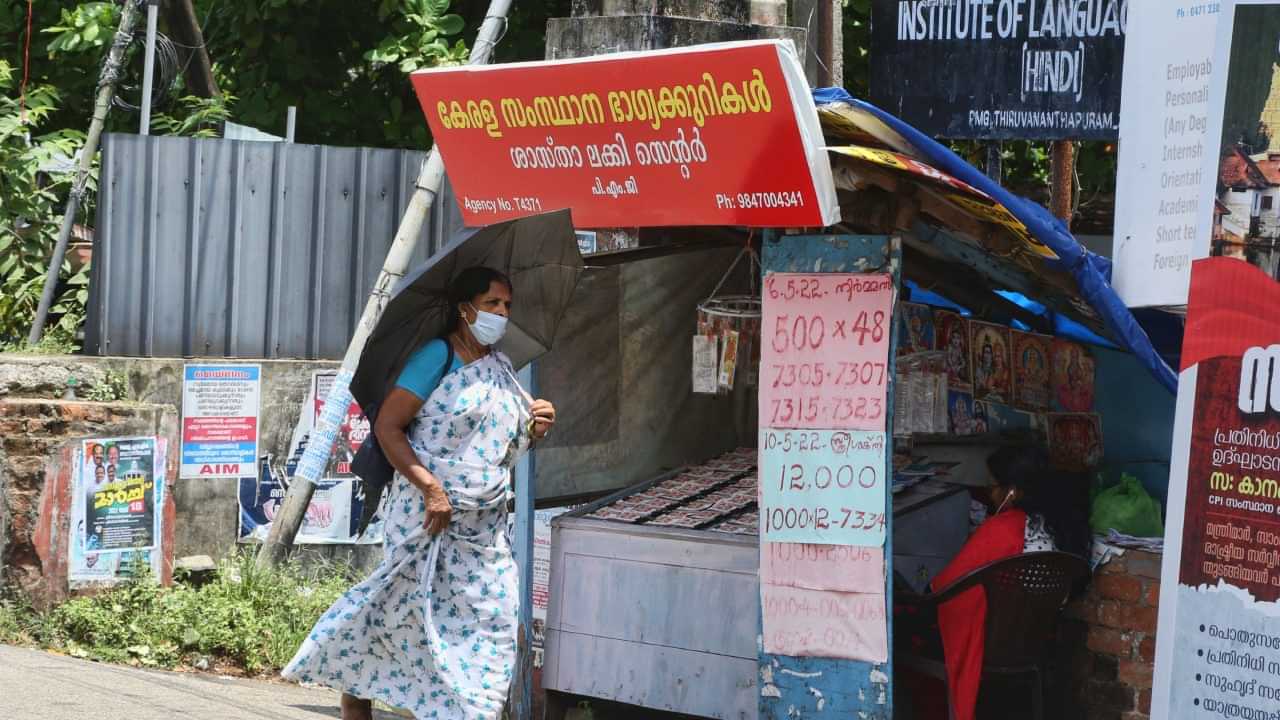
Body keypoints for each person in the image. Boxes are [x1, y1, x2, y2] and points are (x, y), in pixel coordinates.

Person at [282, 267, 556, 720]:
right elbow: (389, 427)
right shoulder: (437, 357)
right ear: (464, 308)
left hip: (482, 529)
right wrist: (430, 487)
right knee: (403, 607)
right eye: (492, 304)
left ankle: (466, 708)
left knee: (493, 616)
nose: (502, 314)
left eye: (507, 306)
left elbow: (501, 452)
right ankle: (357, 688)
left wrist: (535, 427)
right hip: (428, 516)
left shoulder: (502, 370)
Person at [930, 446, 1089, 720]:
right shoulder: (1055, 527)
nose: (991, 494)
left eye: (993, 486)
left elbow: (946, 586)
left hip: (990, 645)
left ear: (1012, 491)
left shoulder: (1001, 529)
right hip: (1031, 643)